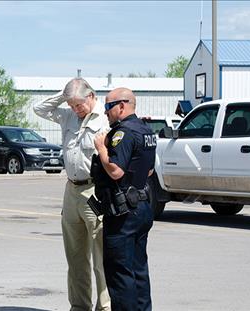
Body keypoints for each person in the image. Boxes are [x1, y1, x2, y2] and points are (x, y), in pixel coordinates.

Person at [34, 78, 111, 311]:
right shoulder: (68, 116)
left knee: (100, 254)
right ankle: (79, 305)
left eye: (79, 104)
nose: (75, 110)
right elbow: (39, 108)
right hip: (72, 189)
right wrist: (65, 94)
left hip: (93, 190)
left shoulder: (105, 118)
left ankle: (105, 306)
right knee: (75, 255)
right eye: (72, 105)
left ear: (92, 96)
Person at [92, 87, 156, 310]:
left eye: (108, 107)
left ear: (121, 106)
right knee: (139, 268)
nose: (106, 113)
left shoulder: (123, 133)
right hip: (141, 207)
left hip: (123, 213)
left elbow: (116, 171)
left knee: (119, 272)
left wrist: (101, 148)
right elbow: (148, 171)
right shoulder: (146, 131)